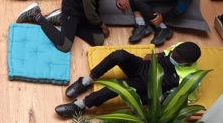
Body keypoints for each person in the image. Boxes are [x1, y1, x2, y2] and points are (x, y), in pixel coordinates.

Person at [55, 42, 202, 118]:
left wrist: (160, 98)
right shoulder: (180, 48)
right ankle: (87, 80)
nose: (171, 58)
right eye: (172, 55)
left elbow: (184, 99)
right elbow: (166, 52)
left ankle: (81, 105)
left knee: (117, 86)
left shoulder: (190, 79)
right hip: (145, 67)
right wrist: (157, 55)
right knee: (119, 55)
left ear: (187, 64)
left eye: (176, 60)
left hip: (149, 86)